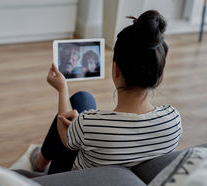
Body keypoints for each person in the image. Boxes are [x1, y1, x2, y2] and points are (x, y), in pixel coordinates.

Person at [30, 10, 182, 174]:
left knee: (81, 101)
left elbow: (66, 137)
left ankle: (39, 163)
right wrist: (80, 127)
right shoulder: (174, 120)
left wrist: (62, 89)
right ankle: (40, 161)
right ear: (158, 75)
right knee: (83, 99)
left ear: (116, 70)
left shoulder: (90, 124)